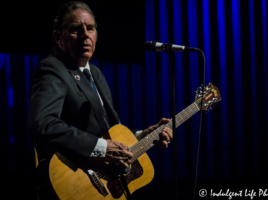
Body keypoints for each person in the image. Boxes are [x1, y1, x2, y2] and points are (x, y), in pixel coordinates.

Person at [29, 0, 172, 185]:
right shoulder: (53, 68)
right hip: (73, 182)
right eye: (75, 29)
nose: (85, 35)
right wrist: (103, 148)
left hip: (103, 182)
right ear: (58, 37)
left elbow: (109, 133)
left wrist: (144, 135)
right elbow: (44, 124)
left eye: (90, 28)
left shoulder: (95, 73)